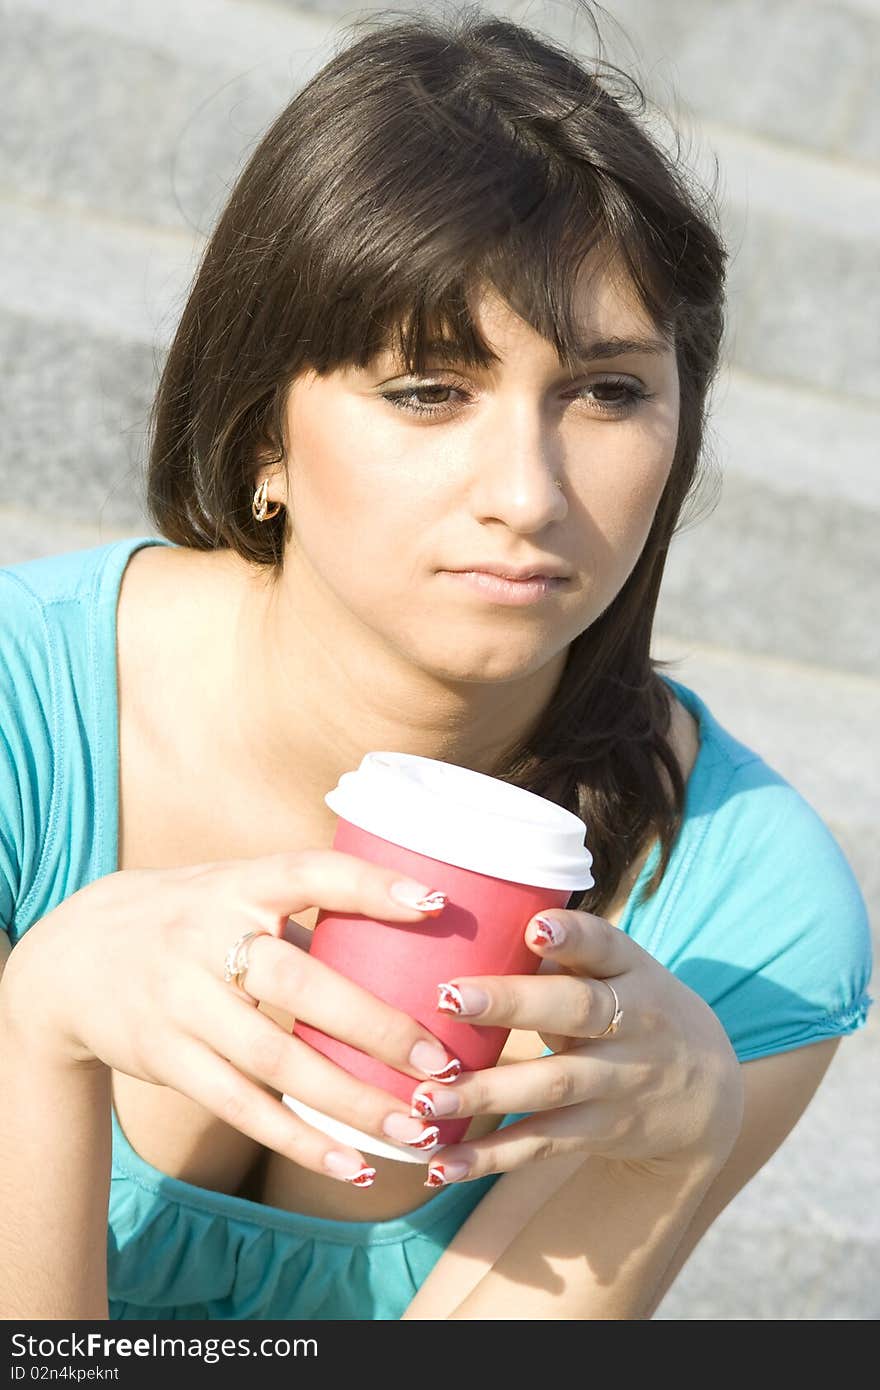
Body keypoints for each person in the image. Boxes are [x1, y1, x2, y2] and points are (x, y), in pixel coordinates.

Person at [0, 4, 872, 1322]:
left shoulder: (747, 925)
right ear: (263, 437)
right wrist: (44, 1025)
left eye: (608, 390)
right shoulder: (25, 725)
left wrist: (671, 1154)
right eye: (428, 389)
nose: (527, 491)